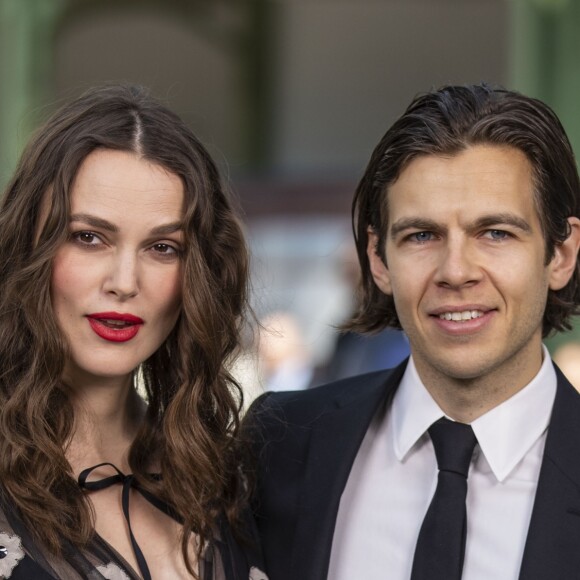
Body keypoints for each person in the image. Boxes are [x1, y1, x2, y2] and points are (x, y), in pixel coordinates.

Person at [246, 84, 580, 580]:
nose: (456, 270)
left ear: (560, 255)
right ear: (378, 259)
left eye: (495, 233)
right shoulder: (281, 444)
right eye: (422, 235)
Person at [0, 85, 265, 579]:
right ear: (28, 251)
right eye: (88, 238)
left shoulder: (226, 483)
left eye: (162, 247)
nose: (124, 283)